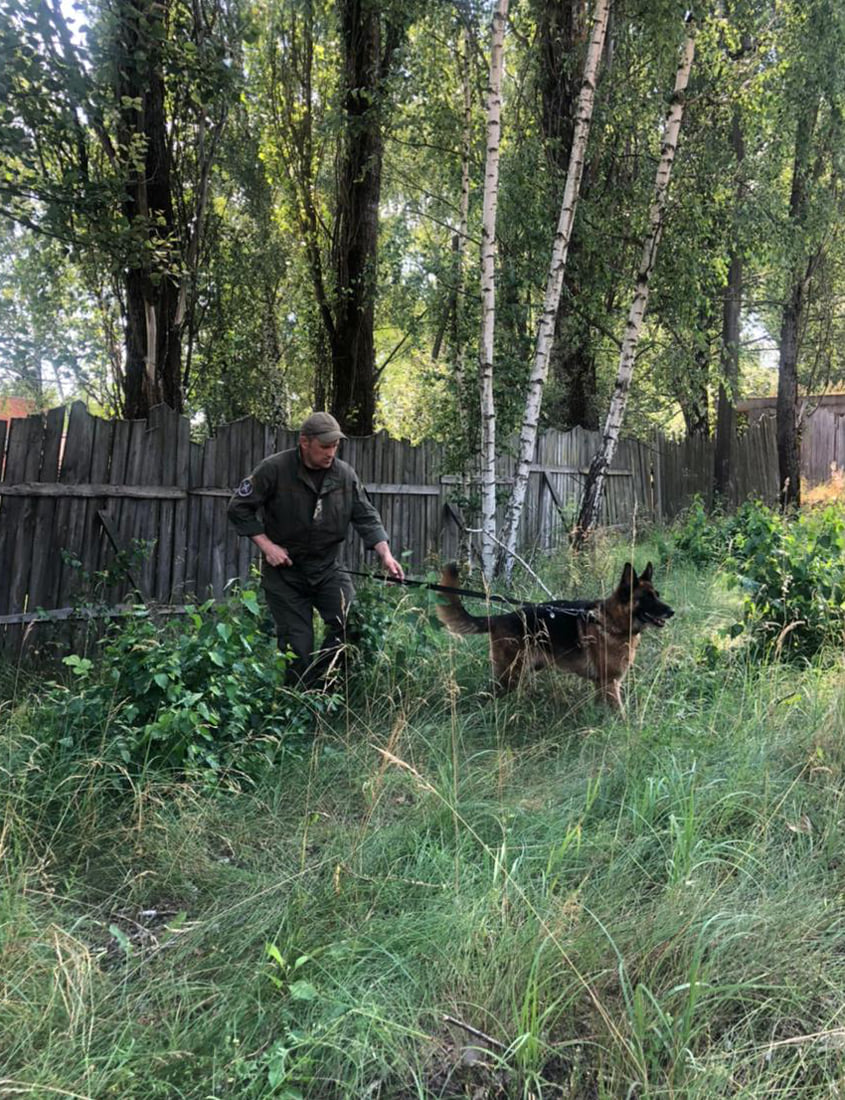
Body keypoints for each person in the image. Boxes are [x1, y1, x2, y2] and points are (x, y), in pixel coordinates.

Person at [227, 411, 404, 687]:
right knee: (297, 646)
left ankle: (323, 689)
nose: (331, 452)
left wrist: (386, 554)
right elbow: (238, 508)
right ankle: (298, 707)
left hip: (327, 568)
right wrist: (267, 545)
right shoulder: (274, 469)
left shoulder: (344, 475)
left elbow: (366, 515)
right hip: (285, 573)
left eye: (335, 446)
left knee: (351, 624)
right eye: (325, 446)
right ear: (304, 442)